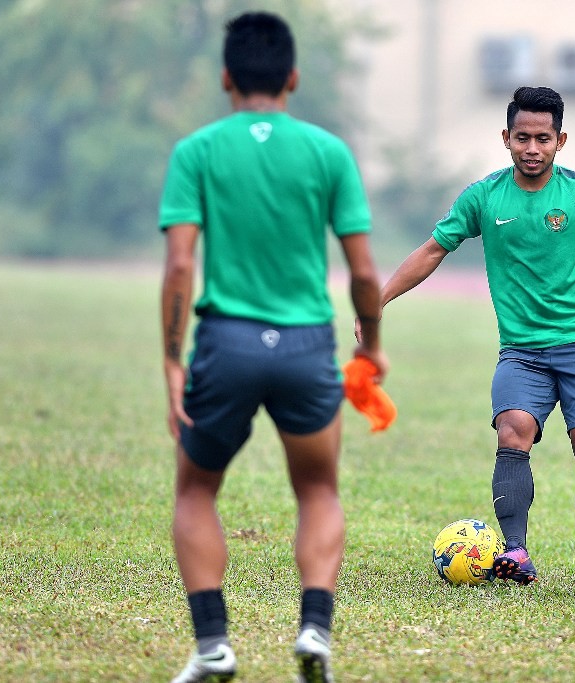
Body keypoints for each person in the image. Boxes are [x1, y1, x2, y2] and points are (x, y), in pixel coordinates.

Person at [159, 12, 388, 682]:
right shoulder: (328, 152)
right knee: (318, 486)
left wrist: (173, 359)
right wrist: (371, 345)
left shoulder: (195, 151)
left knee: (196, 488)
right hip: (305, 346)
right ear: (293, 76)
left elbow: (178, 267)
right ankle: (314, 629)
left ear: (226, 77)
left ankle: (213, 645)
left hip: (224, 344)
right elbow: (366, 273)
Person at [370, 86, 575, 586]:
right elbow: (432, 250)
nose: (532, 148)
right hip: (521, 351)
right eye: (522, 137)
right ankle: (516, 553)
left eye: (542, 138)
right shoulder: (484, 196)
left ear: (560, 140)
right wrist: (375, 299)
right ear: (506, 138)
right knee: (512, 431)